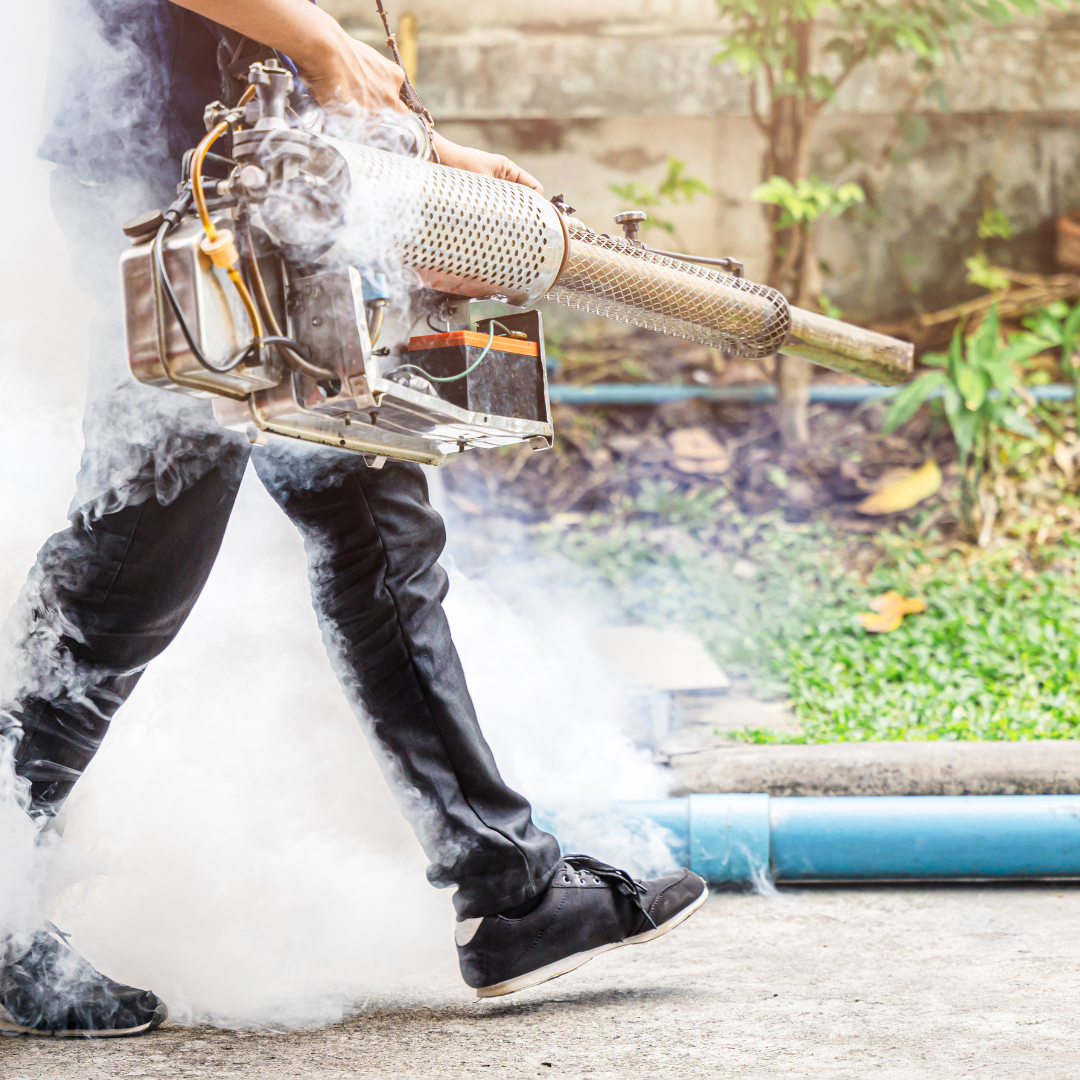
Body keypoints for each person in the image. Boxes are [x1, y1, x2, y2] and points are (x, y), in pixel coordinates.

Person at [0, 0, 706, 1037]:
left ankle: (509, 890)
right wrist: (326, 48)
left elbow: (287, 43)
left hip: (264, 187)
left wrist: (415, 147)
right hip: (165, 179)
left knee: (378, 528)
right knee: (135, 562)